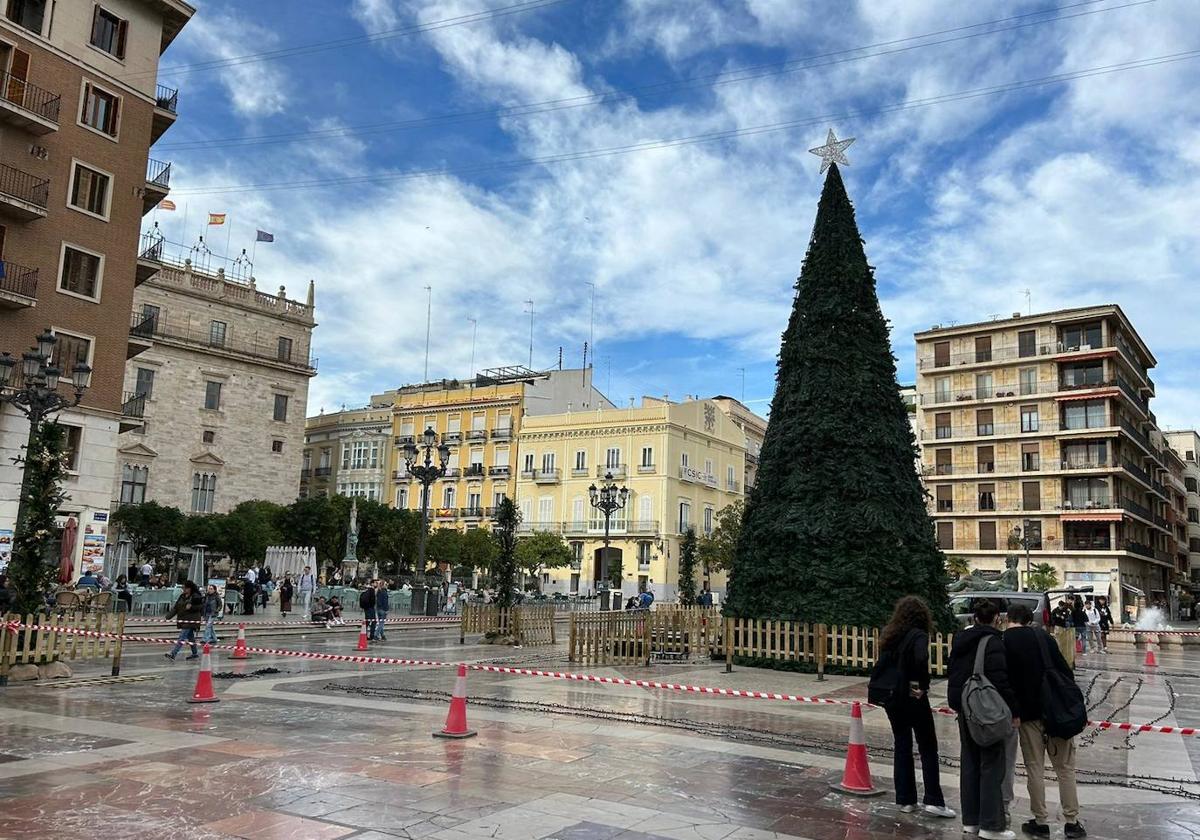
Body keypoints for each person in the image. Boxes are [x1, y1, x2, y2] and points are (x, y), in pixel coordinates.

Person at [1003, 603, 1087, 838]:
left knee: (1034, 769)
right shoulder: (1043, 637)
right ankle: (1072, 821)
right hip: (1056, 714)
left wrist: (1015, 711)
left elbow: (1006, 682)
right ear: (1029, 619)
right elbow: (1065, 671)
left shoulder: (1004, 642)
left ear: (1008, 618)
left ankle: (1040, 821)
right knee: (1065, 768)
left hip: (1027, 716)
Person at [871, 596, 955, 819]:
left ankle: (906, 799)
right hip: (912, 696)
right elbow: (920, 658)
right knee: (928, 745)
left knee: (902, 744)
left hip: (892, 698)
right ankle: (933, 800)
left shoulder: (891, 635)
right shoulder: (918, 635)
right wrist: (921, 685)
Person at [947, 599, 1018, 840]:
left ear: (974, 618)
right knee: (991, 765)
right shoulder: (994, 642)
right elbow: (1000, 679)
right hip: (986, 713)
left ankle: (970, 822)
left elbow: (953, 674)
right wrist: (1014, 711)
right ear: (997, 617)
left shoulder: (959, 640)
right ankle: (990, 825)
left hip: (964, 709)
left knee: (969, 764)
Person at [164, 581, 204, 661]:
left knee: (182, 637)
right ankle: (195, 653)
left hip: (191, 620)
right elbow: (176, 607)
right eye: (183, 588)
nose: (184, 589)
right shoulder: (182, 596)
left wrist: (191, 607)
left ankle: (173, 654)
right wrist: (168, 616)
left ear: (190, 588)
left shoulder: (196, 596)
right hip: (183, 619)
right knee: (191, 638)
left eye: (185, 588)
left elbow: (200, 607)